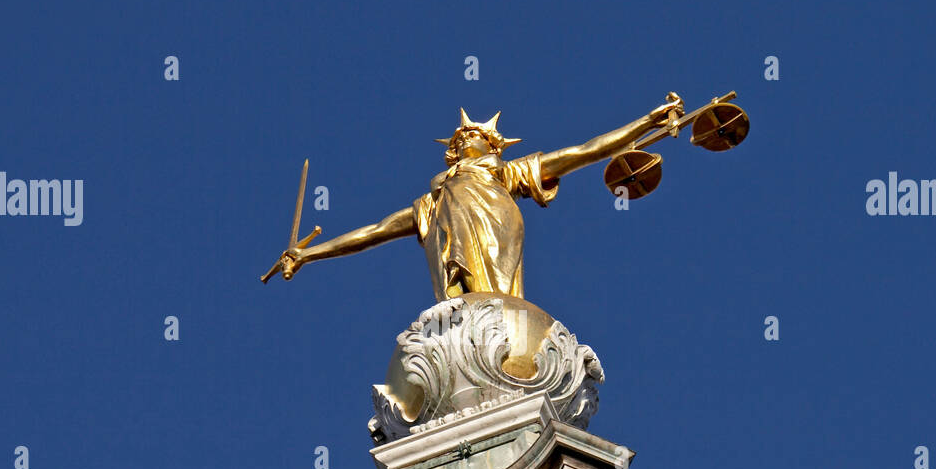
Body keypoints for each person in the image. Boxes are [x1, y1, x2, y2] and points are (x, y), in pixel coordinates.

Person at [272, 94, 686, 302]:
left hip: (498, 226)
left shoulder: (506, 173)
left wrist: (647, 121)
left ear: (494, 146)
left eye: (478, 136)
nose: (469, 138)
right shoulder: (433, 202)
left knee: (498, 306)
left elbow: (584, 151)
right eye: (464, 137)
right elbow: (377, 230)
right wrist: (310, 254)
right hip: (452, 235)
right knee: (466, 309)